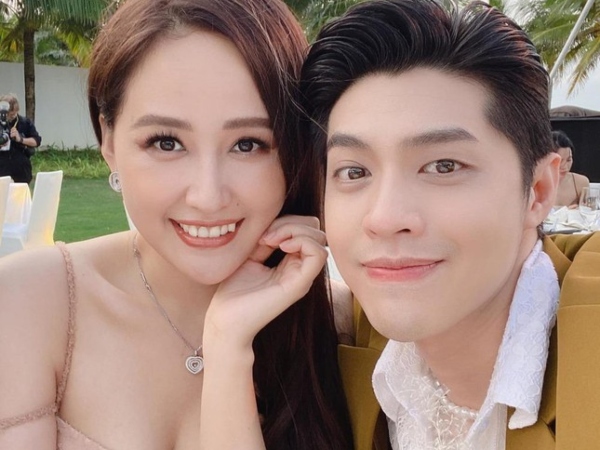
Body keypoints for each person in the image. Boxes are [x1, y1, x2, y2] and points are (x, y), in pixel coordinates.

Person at [0, 0, 353, 449]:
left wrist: (228, 345)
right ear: (108, 140)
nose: (208, 196)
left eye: (248, 144)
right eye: (166, 142)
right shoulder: (28, 305)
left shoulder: (342, 324)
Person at [300, 0, 600, 448]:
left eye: (443, 166)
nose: (384, 218)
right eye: (354, 171)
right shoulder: (339, 344)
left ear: (538, 191)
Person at [0, 93, 42, 183]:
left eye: (14, 114)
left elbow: (36, 141)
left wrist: (21, 139)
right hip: (2, 167)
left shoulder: (25, 122)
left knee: (22, 191)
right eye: (9, 114)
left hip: (21, 168)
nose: (11, 116)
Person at [552, 130, 590, 207]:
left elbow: (589, 210)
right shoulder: (534, 183)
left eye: (568, 160)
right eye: (559, 160)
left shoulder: (581, 183)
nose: (565, 166)